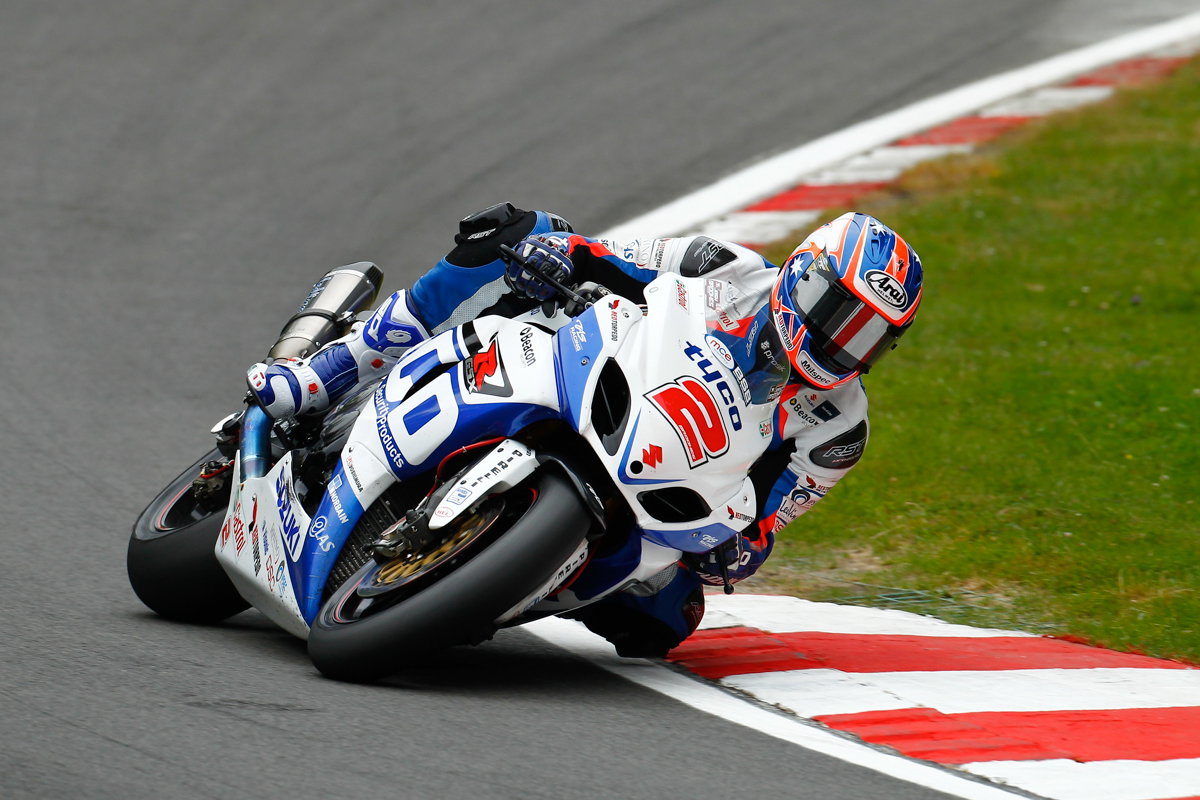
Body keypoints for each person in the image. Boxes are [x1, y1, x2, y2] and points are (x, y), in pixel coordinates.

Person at [247, 202, 924, 657]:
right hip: (593, 369)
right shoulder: (726, 267)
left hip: (665, 485)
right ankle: (336, 366)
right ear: (805, 276)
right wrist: (557, 253)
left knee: (668, 623)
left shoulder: (839, 429)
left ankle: (496, 577)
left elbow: (774, 516)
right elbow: (611, 256)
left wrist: (743, 551)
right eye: (838, 313)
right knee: (511, 229)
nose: (843, 341)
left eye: (867, 336)